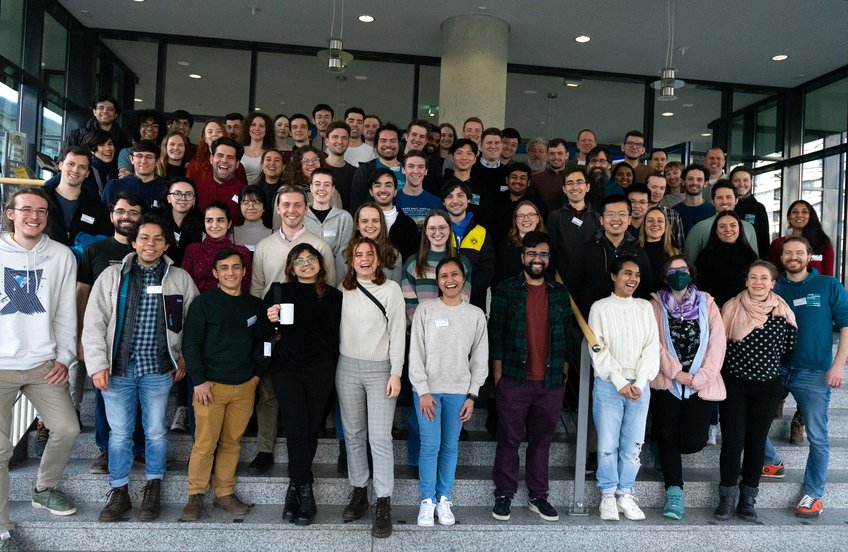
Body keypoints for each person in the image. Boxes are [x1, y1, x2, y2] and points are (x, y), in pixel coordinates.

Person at [82, 213, 199, 523]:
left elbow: (193, 324)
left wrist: (184, 357)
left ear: (166, 244)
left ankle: (153, 488)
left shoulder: (180, 279)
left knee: (156, 433)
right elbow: (94, 322)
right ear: (133, 242)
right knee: (119, 435)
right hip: (117, 370)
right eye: (144, 237)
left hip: (158, 370)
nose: (151, 243)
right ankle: (119, 492)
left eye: (158, 238)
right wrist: (96, 364)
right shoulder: (112, 277)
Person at [0, 187, 81, 551]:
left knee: (66, 428)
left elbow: (66, 310)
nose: (34, 216)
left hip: (42, 363)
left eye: (42, 211)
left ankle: (44, 489)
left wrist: (64, 357)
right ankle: (2, 530)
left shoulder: (61, 256)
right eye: (26, 210)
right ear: (10, 213)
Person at [248, 186, 335, 475]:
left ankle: (301, 460)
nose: (292, 210)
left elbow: (325, 291)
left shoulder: (319, 246)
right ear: (278, 208)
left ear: (306, 208)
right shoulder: (265, 246)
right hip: (275, 331)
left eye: (298, 205)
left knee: (303, 411)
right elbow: (259, 289)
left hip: (308, 341)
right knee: (268, 394)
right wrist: (265, 320)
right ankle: (264, 448)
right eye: (286, 205)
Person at [179, 248, 271, 521]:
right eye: (224, 268)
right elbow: (191, 344)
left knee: (232, 442)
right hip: (210, 387)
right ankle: (195, 496)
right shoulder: (203, 304)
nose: (231, 273)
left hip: (244, 386)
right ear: (215, 273)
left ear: (244, 272)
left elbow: (264, 342)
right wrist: (199, 381)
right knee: (205, 443)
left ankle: (224, 494)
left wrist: (255, 376)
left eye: (236, 267)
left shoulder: (255, 306)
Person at [489, 231, 574, 523]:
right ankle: (504, 494)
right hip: (514, 378)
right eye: (532, 254)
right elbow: (495, 334)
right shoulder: (506, 289)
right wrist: (498, 375)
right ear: (523, 256)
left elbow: (566, 337)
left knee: (541, 440)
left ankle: (539, 495)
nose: (538, 259)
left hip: (549, 383)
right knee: (509, 439)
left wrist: (562, 373)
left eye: (543, 254)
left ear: (549, 258)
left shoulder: (560, 292)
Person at [762, 236, 848, 518]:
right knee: (753, 419)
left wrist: (838, 366)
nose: (794, 256)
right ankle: (772, 461)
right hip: (777, 367)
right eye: (788, 252)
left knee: (819, 437)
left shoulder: (828, 285)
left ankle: (814, 494)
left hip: (813, 372)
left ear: (809, 256)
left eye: (800, 252)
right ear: (782, 257)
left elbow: (846, 326)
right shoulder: (775, 286)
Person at [265, 245, 342, 526]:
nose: (306, 264)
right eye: (300, 260)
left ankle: (293, 488)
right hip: (287, 370)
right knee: (296, 428)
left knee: (311, 429)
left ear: (321, 264)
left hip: (321, 370)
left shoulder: (334, 297)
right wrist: (268, 317)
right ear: (291, 267)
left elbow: (339, 335)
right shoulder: (279, 293)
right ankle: (306, 492)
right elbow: (262, 332)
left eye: (311, 260)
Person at [410, 257, 488, 527]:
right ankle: (427, 501)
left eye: (455, 274)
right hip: (429, 392)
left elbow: (480, 357)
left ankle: (444, 499)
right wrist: (422, 390)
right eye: (444, 276)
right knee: (430, 446)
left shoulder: (475, 314)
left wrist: (473, 394)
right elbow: (416, 354)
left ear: (463, 278)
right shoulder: (425, 310)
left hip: (459, 393)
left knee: (450, 446)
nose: (450, 280)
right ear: (438, 281)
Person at [715, 260, 796, 522]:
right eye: (753, 277)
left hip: (767, 387)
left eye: (764, 278)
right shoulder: (730, 307)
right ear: (746, 280)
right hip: (735, 385)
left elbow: (788, 348)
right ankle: (727, 498)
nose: (758, 282)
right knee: (732, 442)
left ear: (773, 283)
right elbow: (719, 345)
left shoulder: (782, 311)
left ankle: (748, 499)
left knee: (755, 443)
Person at [337, 237, 406, 539]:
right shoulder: (342, 290)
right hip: (347, 367)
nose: (364, 258)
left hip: (381, 370)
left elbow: (398, 333)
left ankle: (383, 501)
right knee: (353, 434)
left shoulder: (390, 290)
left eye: (369, 254)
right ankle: (359, 491)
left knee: (379, 437)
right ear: (350, 260)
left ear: (378, 259)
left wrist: (396, 373)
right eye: (358, 254)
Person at [649, 255, 726, 520]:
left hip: (700, 383)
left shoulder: (707, 302)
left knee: (693, 441)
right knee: (668, 437)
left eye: (682, 270)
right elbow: (653, 342)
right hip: (668, 382)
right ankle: (675, 493)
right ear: (664, 275)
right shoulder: (654, 304)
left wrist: (701, 376)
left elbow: (718, 342)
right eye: (672, 271)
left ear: (691, 273)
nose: (678, 274)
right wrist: (676, 373)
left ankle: (661, 453)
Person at [76, 192, 147, 474]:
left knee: (143, 396)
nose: (126, 217)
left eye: (133, 212)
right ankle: (106, 451)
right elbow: (82, 293)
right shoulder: (96, 251)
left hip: (142, 339)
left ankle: (140, 448)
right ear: (111, 215)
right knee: (104, 395)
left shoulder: (150, 250)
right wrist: (81, 336)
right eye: (121, 211)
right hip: (105, 340)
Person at [588, 255, 659, 521]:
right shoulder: (600, 308)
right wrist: (619, 382)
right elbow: (598, 348)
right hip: (609, 385)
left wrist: (640, 383)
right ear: (614, 276)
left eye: (637, 275)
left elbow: (652, 348)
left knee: (634, 443)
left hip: (640, 386)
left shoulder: (644, 307)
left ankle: (626, 493)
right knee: (608, 441)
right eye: (627, 273)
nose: (633, 279)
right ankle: (607, 494)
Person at [441, 179, 494, 311]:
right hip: (442, 301)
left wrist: (466, 290)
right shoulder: (437, 231)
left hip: (474, 303)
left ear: (468, 199)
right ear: (443, 202)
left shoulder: (481, 232)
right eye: (449, 196)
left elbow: (488, 269)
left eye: (460, 195)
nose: (455, 201)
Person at [181, 202, 252, 294]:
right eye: (209, 220)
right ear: (204, 223)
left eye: (220, 220)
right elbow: (183, 284)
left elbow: (245, 287)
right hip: (197, 304)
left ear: (229, 223)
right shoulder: (193, 250)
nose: (214, 225)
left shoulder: (242, 252)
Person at [546, 166, 600, 280]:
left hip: (591, 279)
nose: (575, 187)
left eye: (579, 182)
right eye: (570, 183)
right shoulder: (555, 217)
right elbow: (552, 251)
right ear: (564, 189)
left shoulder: (598, 218)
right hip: (563, 279)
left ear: (587, 187)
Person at [696, 211, 757, 307]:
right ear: (716, 230)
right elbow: (700, 288)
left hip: (743, 308)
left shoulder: (750, 256)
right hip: (713, 308)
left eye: (733, 225)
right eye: (722, 226)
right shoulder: (705, 256)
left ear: (739, 229)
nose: (728, 229)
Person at [303, 169, 353, 284]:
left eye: (327, 184)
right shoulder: (301, 216)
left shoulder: (344, 218)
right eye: (317, 184)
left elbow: (344, 255)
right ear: (311, 187)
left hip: (335, 280)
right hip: (304, 280)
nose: (321, 188)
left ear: (333, 189)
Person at [768, 199, 834, 276]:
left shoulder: (822, 243)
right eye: (795, 212)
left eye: (804, 212)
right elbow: (773, 275)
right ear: (789, 218)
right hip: (785, 287)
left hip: (816, 287)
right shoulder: (777, 244)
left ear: (810, 217)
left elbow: (828, 276)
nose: (799, 215)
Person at [101, 140, 169, 210]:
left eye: (149, 157)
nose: (143, 161)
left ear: (157, 161)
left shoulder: (166, 188)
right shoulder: (114, 186)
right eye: (139, 156)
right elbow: (103, 217)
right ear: (131, 159)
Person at [494, 200, 546, 289]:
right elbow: (499, 280)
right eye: (521, 215)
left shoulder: (548, 245)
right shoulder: (505, 245)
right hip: (512, 297)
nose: (526, 219)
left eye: (531, 215)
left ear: (538, 219)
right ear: (515, 220)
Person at [155, 178, 203, 267]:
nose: (183, 198)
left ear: (194, 200)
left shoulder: (203, 224)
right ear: (168, 198)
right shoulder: (156, 222)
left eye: (188, 194)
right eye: (177, 194)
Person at [351, 202, 402, 283]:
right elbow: (340, 291)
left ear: (381, 224)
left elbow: (396, 289)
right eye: (364, 221)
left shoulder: (394, 254)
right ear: (357, 225)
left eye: (375, 221)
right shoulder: (344, 253)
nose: (370, 225)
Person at [66, 94, 131, 153]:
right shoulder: (76, 136)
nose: (105, 111)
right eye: (101, 108)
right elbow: (63, 160)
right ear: (94, 112)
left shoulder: (123, 140)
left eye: (110, 109)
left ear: (115, 115)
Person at [730, 166, 770, 257]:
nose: (741, 184)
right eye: (736, 181)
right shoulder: (726, 205)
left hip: (751, 259)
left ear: (751, 182)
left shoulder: (758, 208)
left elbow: (763, 240)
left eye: (745, 180)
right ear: (730, 182)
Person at [638, 206, 681, 290]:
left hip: (665, 301)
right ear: (644, 225)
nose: (655, 224)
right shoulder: (633, 251)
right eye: (650, 220)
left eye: (660, 221)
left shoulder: (675, 254)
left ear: (666, 226)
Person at [233, 185, 272, 249]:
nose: (251, 207)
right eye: (246, 203)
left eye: (256, 203)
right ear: (240, 207)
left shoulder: (273, 235)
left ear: (264, 208)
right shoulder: (231, 235)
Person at [253, 148, 285, 226]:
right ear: (261, 165)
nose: (272, 163)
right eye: (268, 160)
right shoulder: (253, 190)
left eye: (277, 160)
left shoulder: (289, 191)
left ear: (283, 167)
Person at [241, 112, 274, 183]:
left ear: (267, 130)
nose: (257, 128)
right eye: (253, 125)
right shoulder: (238, 150)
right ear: (248, 128)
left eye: (261, 126)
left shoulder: (271, 154)